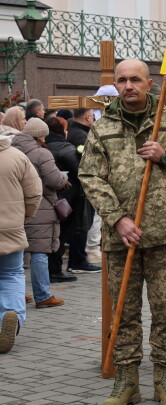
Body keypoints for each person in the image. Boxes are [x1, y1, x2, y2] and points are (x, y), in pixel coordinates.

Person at [79, 59, 166, 405]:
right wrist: (117, 218)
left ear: (150, 83)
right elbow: (90, 176)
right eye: (123, 80)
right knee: (124, 312)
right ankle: (127, 380)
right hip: (121, 237)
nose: (129, 86)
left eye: (135, 80)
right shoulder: (103, 126)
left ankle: (165, 379)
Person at [12, 118, 69, 308]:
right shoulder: (41, 153)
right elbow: (54, 180)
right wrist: (64, 177)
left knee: (16, 252)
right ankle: (43, 295)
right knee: (39, 252)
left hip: (16, 206)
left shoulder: (12, 149)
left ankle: (18, 293)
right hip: (40, 207)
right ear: (40, 135)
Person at [0, 125, 42, 354]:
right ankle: (11, 317)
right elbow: (35, 193)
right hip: (10, 228)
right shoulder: (17, 157)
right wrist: (23, 217)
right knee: (11, 275)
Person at [44, 117, 100, 277]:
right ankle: (57, 270)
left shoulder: (43, 147)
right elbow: (82, 172)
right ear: (62, 131)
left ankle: (53, 269)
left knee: (54, 235)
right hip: (68, 201)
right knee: (63, 234)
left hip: (50, 199)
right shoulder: (65, 149)